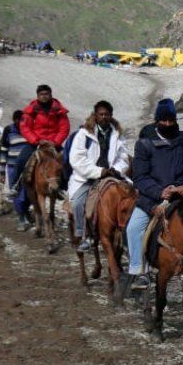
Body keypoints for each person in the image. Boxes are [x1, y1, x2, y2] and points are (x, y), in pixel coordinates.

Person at [127, 99, 183, 290]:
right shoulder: (144, 144)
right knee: (134, 228)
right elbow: (140, 176)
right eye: (164, 121)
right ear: (157, 121)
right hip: (154, 196)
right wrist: (159, 191)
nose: (168, 124)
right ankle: (139, 270)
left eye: (171, 120)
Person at [67, 101, 130, 252]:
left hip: (112, 174)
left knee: (133, 197)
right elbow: (76, 159)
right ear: (95, 115)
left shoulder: (117, 134)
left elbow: (124, 157)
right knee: (78, 203)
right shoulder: (84, 134)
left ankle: (128, 234)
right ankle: (84, 235)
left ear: (111, 115)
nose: (103, 117)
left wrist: (116, 169)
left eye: (106, 114)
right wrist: (97, 171)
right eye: (101, 114)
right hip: (88, 177)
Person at [12, 85, 70, 194]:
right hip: (36, 143)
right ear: (37, 96)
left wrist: (55, 142)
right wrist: (36, 140)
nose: (44, 97)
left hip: (54, 144)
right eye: (41, 94)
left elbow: (64, 128)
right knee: (21, 160)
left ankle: (64, 187)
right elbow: (25, 127)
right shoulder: (31, 111)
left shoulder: (59, 111)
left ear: (51, 95)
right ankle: (15, 185)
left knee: (66, 161)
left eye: (46, 94)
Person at [0, 110, 32, 229]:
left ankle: (26, 211)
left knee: (27, 194)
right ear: (14, 120)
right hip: (12, 168)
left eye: (22, 120)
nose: (20, 123)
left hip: (29, 167)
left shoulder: (30, 130)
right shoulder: (8, 130)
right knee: (18, 194)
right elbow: (3, 150)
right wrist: (2, 171)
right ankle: (21, 219)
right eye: (17, 120)